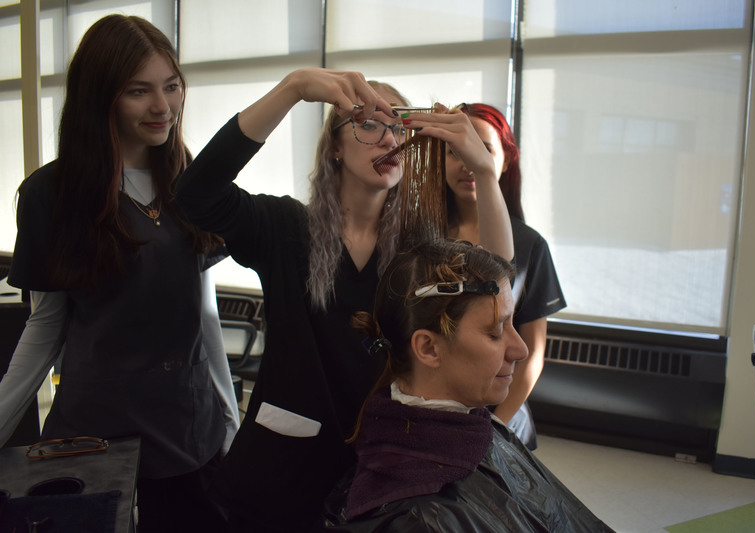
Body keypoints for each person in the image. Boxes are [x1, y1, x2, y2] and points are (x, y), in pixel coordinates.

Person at [174, 69, 514, 531]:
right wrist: (293, 89)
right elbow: (196, 193)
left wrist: (484, 173)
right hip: (279, 473)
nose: (387, 139)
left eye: (398, 126)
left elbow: (493, 276)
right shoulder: (283, 228)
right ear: (334, 145)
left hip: (375, 467)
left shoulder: (416, 252)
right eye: (368, 123)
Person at [0, 15, 238, 532]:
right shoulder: (52, 195)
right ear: (100, 97)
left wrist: (229, 419)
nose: (163, 107)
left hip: (188, 433)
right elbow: (44, 328)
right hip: (95, 435)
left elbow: (205, 312)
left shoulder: (190, 181)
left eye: (172, 87)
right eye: (139, 91)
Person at [316, 239, 612, 532]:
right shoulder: (415, 519)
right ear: (429, 348)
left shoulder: (475, 431)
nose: (520, 349)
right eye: (495, 332)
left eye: (512, 325)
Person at [445, 102, 566, 449]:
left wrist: (497, 425)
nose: (468, 163)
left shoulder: (530, 244)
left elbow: (531, 353)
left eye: (483, 149)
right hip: (432, 410)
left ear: (507, 159)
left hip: (500, 418)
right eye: (455, 152)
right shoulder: (420, 236)